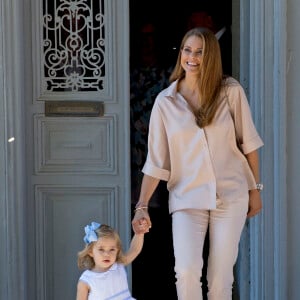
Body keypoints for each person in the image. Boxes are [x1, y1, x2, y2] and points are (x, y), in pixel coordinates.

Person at [132, 27, 264, 300]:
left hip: (230, 194)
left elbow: (248, 143)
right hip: (187, 196)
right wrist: (141, 206)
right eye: (187, 50)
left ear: (211, 56)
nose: (192, 57)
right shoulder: (165, 102)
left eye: (200, 51)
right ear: (180, 53)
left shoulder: (230, 91)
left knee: (220, 279)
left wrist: (255, 189)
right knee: (187, 270)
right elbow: (156, 162)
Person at [76, 221, 146, 300]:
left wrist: (140, 233)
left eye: (112, 249)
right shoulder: (86, 280)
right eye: (101, 249)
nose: (107, 254)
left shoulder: (118, 265)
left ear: (117, 250)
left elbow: (135, 250)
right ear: (90, 252)